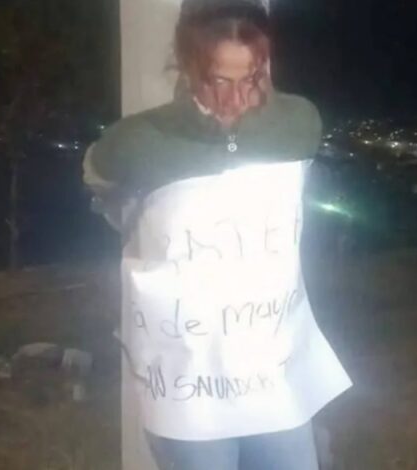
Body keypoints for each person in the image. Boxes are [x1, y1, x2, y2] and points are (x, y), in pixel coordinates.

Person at [83, 1, 351, 469]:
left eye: (250, 77)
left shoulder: (297, 124)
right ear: (188, 65)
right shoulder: (139, 140)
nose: (235, 98)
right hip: (188, 380)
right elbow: (98, 180)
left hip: (270, 370)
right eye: (219, 80)